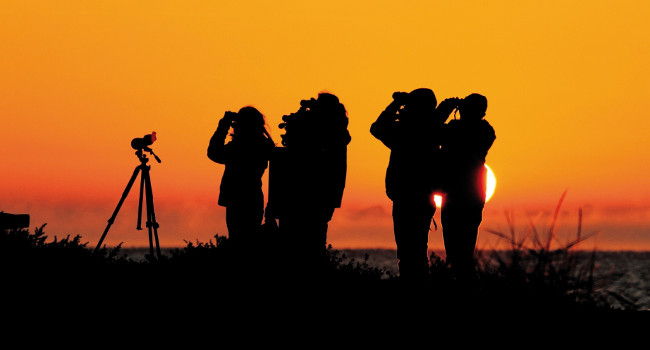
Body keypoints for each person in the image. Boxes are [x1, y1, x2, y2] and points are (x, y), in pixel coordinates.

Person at [370, 88, 452, 281]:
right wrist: (443, 110)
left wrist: (396, 103)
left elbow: (377, 128)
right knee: (417, 249)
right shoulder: (434, 129)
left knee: (407, 251)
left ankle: (412, 286)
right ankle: (418, 284)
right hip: (424, 196)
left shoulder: (405, 133)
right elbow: (432, 126)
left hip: (406, 196)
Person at [267, 92, 351, 264]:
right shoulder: (331, 132)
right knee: (303, 244)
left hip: (316, 196)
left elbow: (309, 149)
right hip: (307, 195)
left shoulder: (334, 134)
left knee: (310, 244)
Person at [439, 93, 496, 279]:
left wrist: (444, 110)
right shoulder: (486, 131)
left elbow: (433, 133)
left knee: (455, 244)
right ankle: (463, 281)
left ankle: (457, 281)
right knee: (465, 245)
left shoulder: (459, 129)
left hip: (456, 193)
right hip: (474, 193)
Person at [207, 106, 275, 248]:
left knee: (238, 241)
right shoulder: (262, 144)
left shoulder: (238, 147)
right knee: (248, 240)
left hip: (236, 198)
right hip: (253, 198)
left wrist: (223, 125)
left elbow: (214, 152)